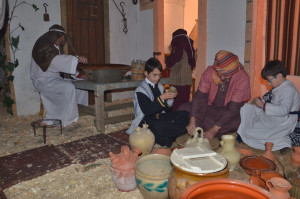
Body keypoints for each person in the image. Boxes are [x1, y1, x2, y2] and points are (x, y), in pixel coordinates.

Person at [179, 50, 251, 141]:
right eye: (219, 74)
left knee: (240, 120)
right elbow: (199, 98)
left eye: (226, 75)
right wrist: (192, 120)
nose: (222, 78)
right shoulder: (210, 71)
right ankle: (214, 129)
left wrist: (214, 129)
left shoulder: (242, 78)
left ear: (233, 72)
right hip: (210, 108)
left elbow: (232, 109)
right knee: (183, 108)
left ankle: (216, 129)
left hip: (230, 112)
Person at [30, 24, 88, 127]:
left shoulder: (55, 47)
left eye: (63, 37)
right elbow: (56, 62)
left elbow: (62, 65)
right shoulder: (42, 44)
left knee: (82, 85)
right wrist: (76, 59)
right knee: (68, 87)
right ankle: (63, 119)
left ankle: (79, 114)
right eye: (60, 36)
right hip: (43, 80)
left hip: (54, 79)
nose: (62, 39)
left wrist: (79, 76)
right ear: (53, 35)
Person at [237, 60, 300, 153]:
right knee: (246, 108)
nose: (268, 84)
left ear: (279, 76)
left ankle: (283, 143)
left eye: (269, 81)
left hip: (284, 121)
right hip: (274, 117)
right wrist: (259, 102)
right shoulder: (280, 86)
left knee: (253, 132)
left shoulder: (288, 90)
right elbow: (271, 102)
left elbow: (283, 110)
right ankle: (280, 141)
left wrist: (262, 105)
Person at [126, 57, 189, 147]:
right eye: (154, 75)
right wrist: (162, 98)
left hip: (160, 117)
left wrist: (170, 100)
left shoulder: (160, 87)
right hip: (146, 122)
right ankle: (170, 135)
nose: (157, 78)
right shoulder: (140, 90)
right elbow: (148, 111)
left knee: (185, 115)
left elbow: (166, 110)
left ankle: (170, 134)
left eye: (159, 75)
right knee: (160, 127)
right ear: (146, 73)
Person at [166, 29, 196, 111]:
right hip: (186, 80)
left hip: (178, 81)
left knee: (176, 104)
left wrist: (167, 61)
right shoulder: (188, 48)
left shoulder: (179, 46)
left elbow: (171, 61)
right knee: (185, 103)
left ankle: (176, 121)